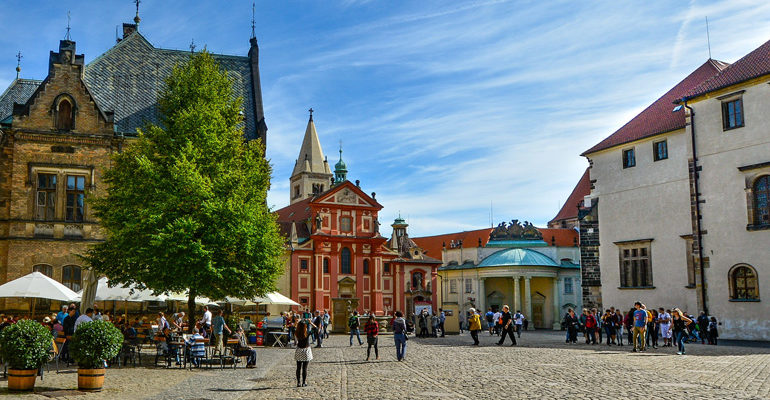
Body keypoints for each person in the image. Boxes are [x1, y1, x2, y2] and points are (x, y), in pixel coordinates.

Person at [294, 319, 314, 387]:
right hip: (306, 350)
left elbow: (294, 327)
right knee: (305, 368)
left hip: (299, 350)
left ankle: (298, 382)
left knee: (298, 367)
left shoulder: (297, 332)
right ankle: (304, 382)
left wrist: (297, 323)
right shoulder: (307, 332)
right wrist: (311, 323)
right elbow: (316, 329)